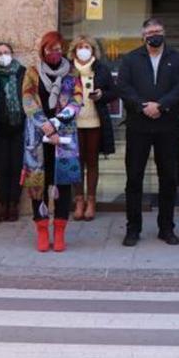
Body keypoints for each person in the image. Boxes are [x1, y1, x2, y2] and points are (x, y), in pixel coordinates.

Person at [116, 17, 179, 247]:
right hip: (138, 125)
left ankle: (166, 228)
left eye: (158, 30)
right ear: (143, 35)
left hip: (167, 125)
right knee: (134, 178)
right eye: (150, 31)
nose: (154, 35)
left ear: (164, 33)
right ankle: (133, 229)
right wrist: (142, 106)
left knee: (168, 178)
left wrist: (161, 105)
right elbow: (123, 87)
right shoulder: (130, 59)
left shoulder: (176, 58)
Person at [21, 31, 84, 253]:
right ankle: (41, 230)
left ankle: (59, 231)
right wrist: (43, 124)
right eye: (51, 49)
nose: (55, 53)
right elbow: (27, 99)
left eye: (58, 49)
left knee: (63, 184)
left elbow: (77, 101)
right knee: (37, 184)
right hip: (37, 137)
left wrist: (56, 122)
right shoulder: (33, 72)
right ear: (43, 50)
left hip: (63, 137)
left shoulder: (72, 73)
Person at [69, 35, 118, 221]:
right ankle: (79, 201)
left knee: (92, 162)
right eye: (80, 46)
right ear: (74, 50)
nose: (83, 49)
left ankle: (91, 201)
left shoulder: (101, 69)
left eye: (87, 46)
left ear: (93, 50)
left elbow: (114, 92)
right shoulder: (69, 69)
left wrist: (101, 94)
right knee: (76, 163)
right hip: (73, 123)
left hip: (95, 122)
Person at [0, 42, 26, 223]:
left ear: (12, 53)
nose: (3, 55)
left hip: (18, 127)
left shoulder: (22, 73)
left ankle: (14, 204)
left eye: (6, 52)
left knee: (17, 167)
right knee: (2, 168)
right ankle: (3, 204)